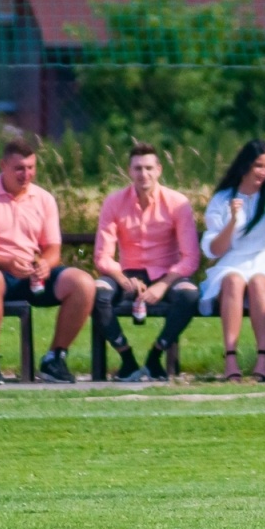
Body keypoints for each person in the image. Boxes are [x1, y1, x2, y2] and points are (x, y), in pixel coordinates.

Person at [0, 139, 96, 384]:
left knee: (83, 283)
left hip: (31, 272)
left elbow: (53, 249)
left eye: (31, 168)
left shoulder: (44, 199)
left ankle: (55, 358)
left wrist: (45, 263)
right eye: (19, 168)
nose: (26, 175)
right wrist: (7, 262)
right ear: (2, 165)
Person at [93, 143, 201, 381]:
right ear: (129, 171)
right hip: (127, 273)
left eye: (149, 168)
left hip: (167, 274)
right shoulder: (114, 202)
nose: (144, 174)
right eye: (138, 168)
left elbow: (190, 257)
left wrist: (162, 285)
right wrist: (123, 280)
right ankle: (127, 359)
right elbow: (102, 256)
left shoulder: (177, 202)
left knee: (190, 294)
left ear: (159, 170)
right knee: (98, 292)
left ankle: (155, 356)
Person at [200, 139, 265, 382]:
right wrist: (233, 220)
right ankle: (230, 357)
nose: (263, 172)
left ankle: (263, 357)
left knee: (257, 282)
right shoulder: (224, 199)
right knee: (232, 281)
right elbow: (213, 250)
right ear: (245, 165)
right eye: (258, 166)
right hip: (233, 261)